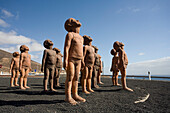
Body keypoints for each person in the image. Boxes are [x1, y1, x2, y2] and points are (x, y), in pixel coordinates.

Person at [64, 18, 86, 105]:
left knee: (76, 78)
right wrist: (65, 60)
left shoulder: (81, 37)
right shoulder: (70, 35)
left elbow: (82, 51)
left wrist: (83, 61)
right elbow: (66, 48)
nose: (77, 20)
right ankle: (68, 96)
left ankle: (75, 94)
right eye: (73, 20)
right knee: (70, 77)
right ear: (70, 25)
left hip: (79, 60)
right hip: (71, 59)